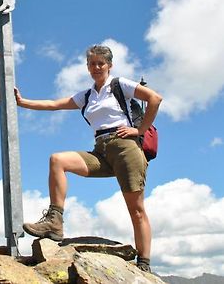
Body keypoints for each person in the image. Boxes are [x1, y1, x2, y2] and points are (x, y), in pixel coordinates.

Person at [14, 44, 162, 273]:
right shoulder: (87, 95)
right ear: (88, 66)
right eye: (92, 64)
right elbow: (55, 104)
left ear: (109, 65)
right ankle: (55, 221)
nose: (96, 67)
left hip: (125, 148)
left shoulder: (119, 85)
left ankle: (144, 263)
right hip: (100, 151)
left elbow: (154, 98)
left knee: (136, 209)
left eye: (100, 63)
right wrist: (23, 102)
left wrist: (140, 130)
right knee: (58, 160)